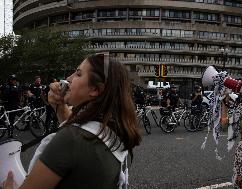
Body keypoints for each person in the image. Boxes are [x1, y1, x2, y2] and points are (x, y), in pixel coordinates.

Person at [2, 53, 142, 189]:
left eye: (78, 74)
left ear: (94, 89)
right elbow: (82, 128)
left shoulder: (70, 140)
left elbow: (73, 138)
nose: (68, 78)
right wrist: (59, 106)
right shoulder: (118, 130)